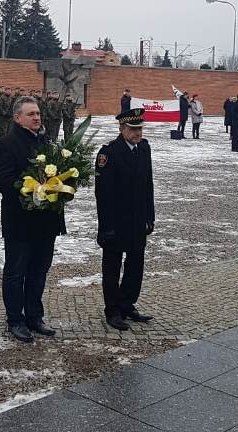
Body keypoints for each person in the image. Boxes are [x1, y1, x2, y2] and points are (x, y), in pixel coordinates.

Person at [0, 96, 64, 342]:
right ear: (17, 117)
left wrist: (61, 190)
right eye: (31, 114)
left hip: (46, 222)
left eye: (38, 113)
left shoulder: (47, 143)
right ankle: (16, 320)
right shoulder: (6, 144)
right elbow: (2, 181)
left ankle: (34, 316)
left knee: (39, 271)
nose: (37, 117)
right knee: (16, 272)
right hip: (19, 221)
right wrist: (31, 190)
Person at [95, 108, 155, 331]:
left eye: (140, 129)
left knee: (135, 265)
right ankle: (112, 310)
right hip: (116, 221)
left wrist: (150, 216)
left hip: (138, 219)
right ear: (121, 129)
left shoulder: (144, 149)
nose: (137, 133)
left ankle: (127, 303)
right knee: (112, 268)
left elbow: (148, 184)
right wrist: (105, 227)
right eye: (132, 129)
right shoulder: (108, 153)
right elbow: (103, 194)